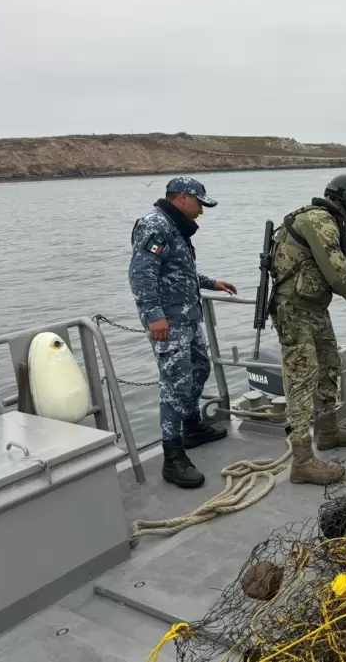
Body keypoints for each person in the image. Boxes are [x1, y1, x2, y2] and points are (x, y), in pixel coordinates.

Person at [268, 173, 346, 485]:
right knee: (301, 381)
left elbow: (332, 266)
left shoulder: (324, 221)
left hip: (314, 309)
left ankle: (329, 429)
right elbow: (335, 271)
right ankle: (302, 460)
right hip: (295, 312)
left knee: (329, 366)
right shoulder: (318, 219)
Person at [128, 176, 237, 489]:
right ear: (183, 198)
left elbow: (178, 270)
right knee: (174, 385)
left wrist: (210, 282)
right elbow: (141, 274)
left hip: (188, 318)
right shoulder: (155, 225)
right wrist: (154, 316)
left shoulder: (175, 226)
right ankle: (172, 457)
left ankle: (192, 426)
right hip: (169, 322)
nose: (202, 209)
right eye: (199, 202)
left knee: (201, 368)